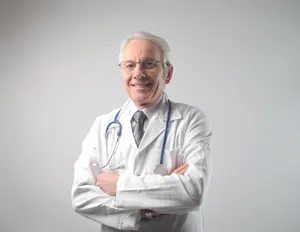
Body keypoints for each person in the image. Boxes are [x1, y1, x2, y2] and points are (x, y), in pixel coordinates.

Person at [71, 31, 212, 232]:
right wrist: (143, 212)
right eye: (130, 65)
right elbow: (81, 197)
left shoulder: (191, 120)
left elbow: (193, 191)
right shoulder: (103, 125)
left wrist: (119, 185)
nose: (138, 73)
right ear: (122, 72)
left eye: (149, 64)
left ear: (168, 73)